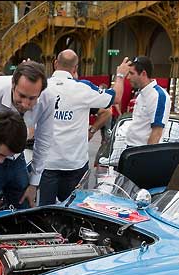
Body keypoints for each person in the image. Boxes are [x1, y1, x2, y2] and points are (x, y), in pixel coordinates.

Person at [39, 50, 128, 205]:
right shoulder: (83, 88)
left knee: (45, 209)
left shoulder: (42, 87)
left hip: (47, 163)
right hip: (74, 163)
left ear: (55, 64)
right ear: (75, 68)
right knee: (73, 208)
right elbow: (116, 98)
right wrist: (120, 75)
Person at [0, 61, 56, 210]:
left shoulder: (47, 99)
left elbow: (44, 140)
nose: (25, 104)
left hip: (17, 158)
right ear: (13, 84)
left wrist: (34, 184)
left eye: (32, 98)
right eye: (21, 96)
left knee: (25, 207)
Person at [124, 56, 169, 148]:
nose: (128, 77)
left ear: (143, 73)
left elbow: (157, 132)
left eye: (131, 73)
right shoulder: (141, 94)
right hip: (132, 149)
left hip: (140, 152)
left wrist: (146, 157)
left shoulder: (158, 96)